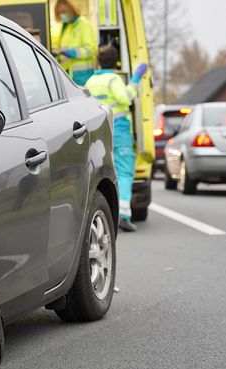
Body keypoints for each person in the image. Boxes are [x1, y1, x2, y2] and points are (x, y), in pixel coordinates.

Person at [85, 45, 148, 232]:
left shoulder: (90, 81)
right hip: (119, 129)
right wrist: (136, 79)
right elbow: (125, 98)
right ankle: (124, 214)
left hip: (99, 130)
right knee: (125, 170)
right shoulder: (113, 79)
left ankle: (108, 215)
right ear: (116, 62)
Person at [51, 0, 97, 86]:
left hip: (83, 77)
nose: (62, 15)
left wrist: (68, 52)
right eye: (59, 13)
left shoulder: (83, 24)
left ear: (71, 9)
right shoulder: (65, 27)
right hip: (68, 76)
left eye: (63, 12)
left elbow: (91, 50)